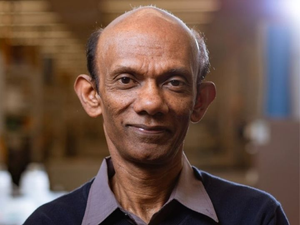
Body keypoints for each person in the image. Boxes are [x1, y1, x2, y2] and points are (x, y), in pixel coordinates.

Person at [24, 6, 289, 225]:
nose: (150, 103)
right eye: (126, 80)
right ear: (91, 95)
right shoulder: (49, 221)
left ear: (200, 101)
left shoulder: (257, 217)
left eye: (174, 82)